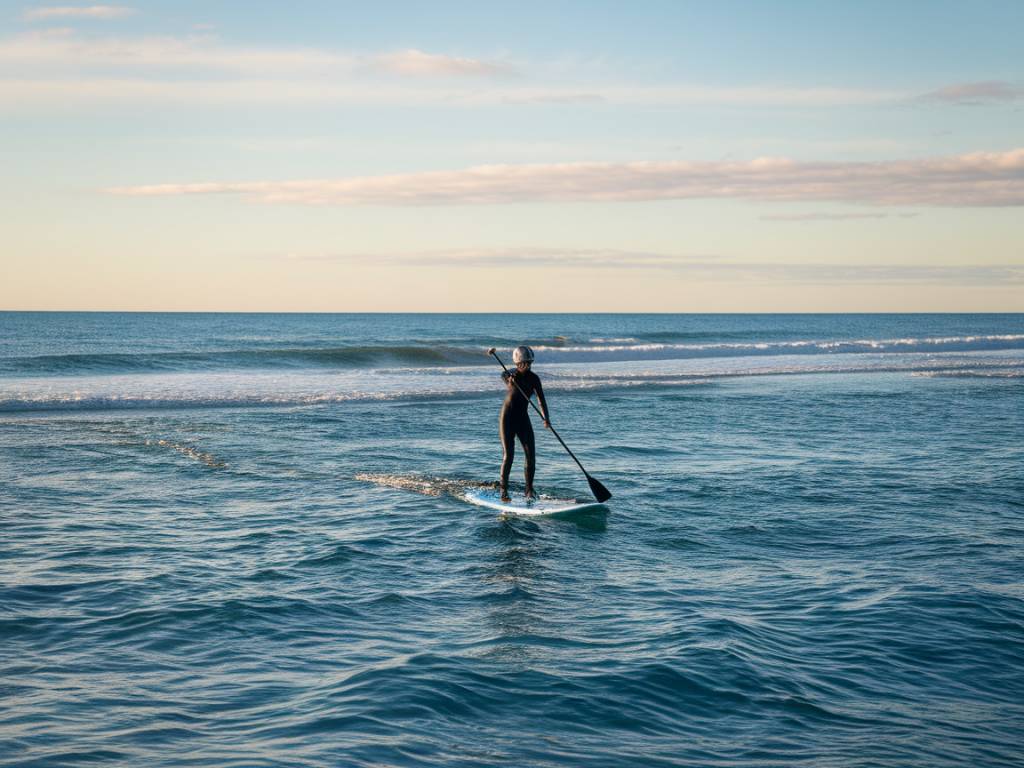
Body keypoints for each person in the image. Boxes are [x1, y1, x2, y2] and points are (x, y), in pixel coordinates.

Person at [499, 345, 550, 502]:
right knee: (509, 456)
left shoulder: (534, 378)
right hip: (507, 419)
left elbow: (541, 399)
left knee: (531, 455)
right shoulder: (510, 374)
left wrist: (546, 418)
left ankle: (528, 490)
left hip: (523, 418)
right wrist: (510, 379)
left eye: (529, 363)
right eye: (523, 363)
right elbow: (504, 375)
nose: (527, 366)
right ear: (517, 363)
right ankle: (504, 491)